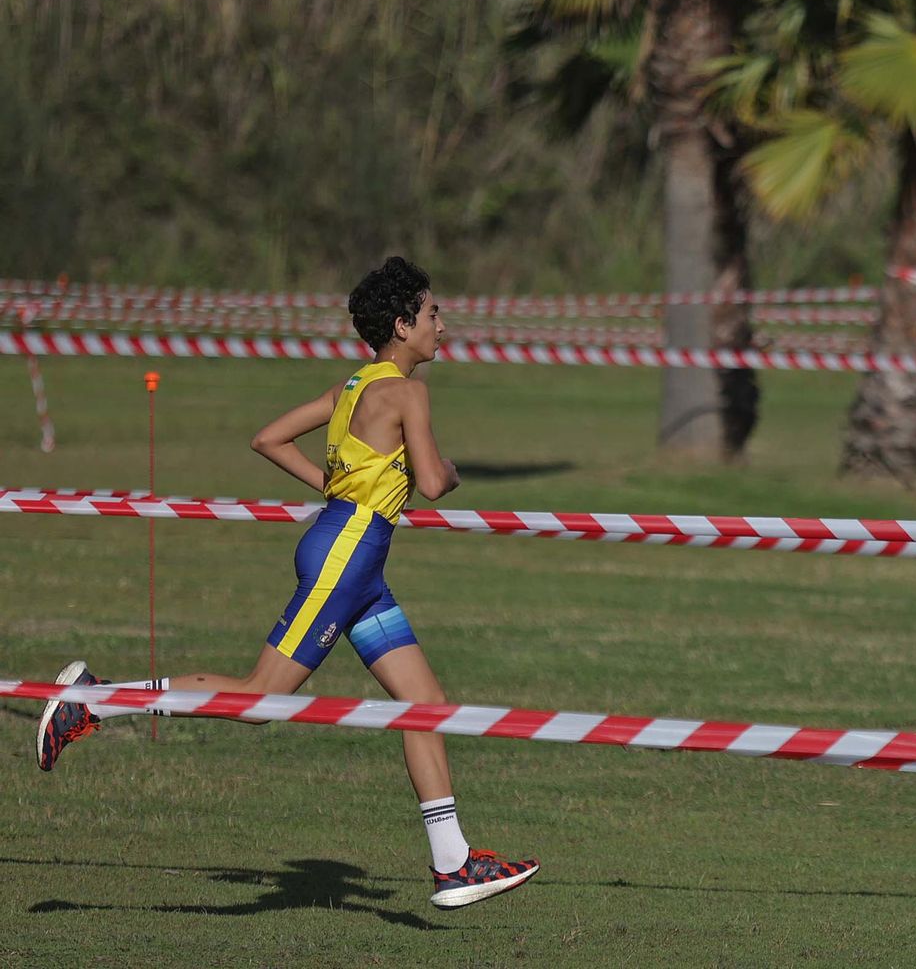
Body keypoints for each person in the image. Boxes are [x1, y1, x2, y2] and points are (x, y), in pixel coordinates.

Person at [35, 257, 539, 910]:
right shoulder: (408, 393)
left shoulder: (352, 387)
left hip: (354, 557)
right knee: (259, 693)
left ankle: (453, 863)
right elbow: (435, 483)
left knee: (424, 704)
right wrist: (449, 470)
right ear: (402, 323)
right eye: (434, 313)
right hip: (348, 558)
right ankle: (94, 701)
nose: (444, 325)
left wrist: (331, 488)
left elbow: (268, 438)